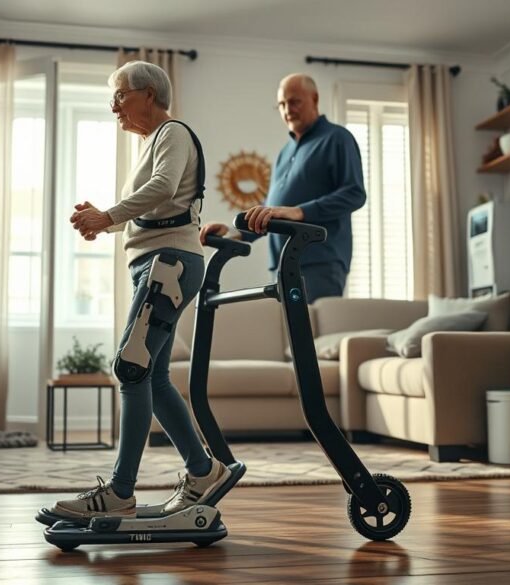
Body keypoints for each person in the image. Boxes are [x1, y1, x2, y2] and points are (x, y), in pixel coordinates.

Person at [52, 61, 230, 519]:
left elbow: (163, 188)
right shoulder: (154, 142)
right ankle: (204, 470)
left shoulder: (172, 132)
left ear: (148, 94)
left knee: (130, 369)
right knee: (151, 375)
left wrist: (107, 216)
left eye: (120, 95)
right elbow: (159, 209)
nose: (114, 105)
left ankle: (120, 492)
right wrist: (106, 223)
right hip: (159, 263)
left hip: (168, 264)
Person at [199, 73, 366, 303]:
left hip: (320, 262)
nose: (288, 109)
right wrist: (231, 232)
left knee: (313, 337)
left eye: (295, 101)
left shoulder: (338, 138)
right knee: (289, 338)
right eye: (282, 104)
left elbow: (355, 193)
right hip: (281, 264)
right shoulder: (284, 152)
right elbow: (270, 212)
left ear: (315, 99)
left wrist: (299, 212)